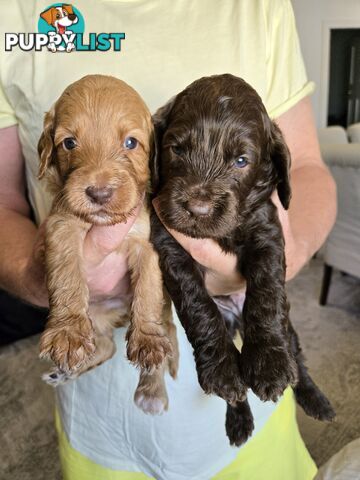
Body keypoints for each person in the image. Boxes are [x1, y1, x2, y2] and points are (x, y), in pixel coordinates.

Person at [0, 1, 336, 479]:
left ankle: (257, 398)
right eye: (71, 143)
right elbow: (3, 203)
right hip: (100, 425)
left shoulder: (261, 6)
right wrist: (53, 285)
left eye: (131, 144)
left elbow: (305, 169)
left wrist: (271, 266)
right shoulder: (14, 11)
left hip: (256, 427)